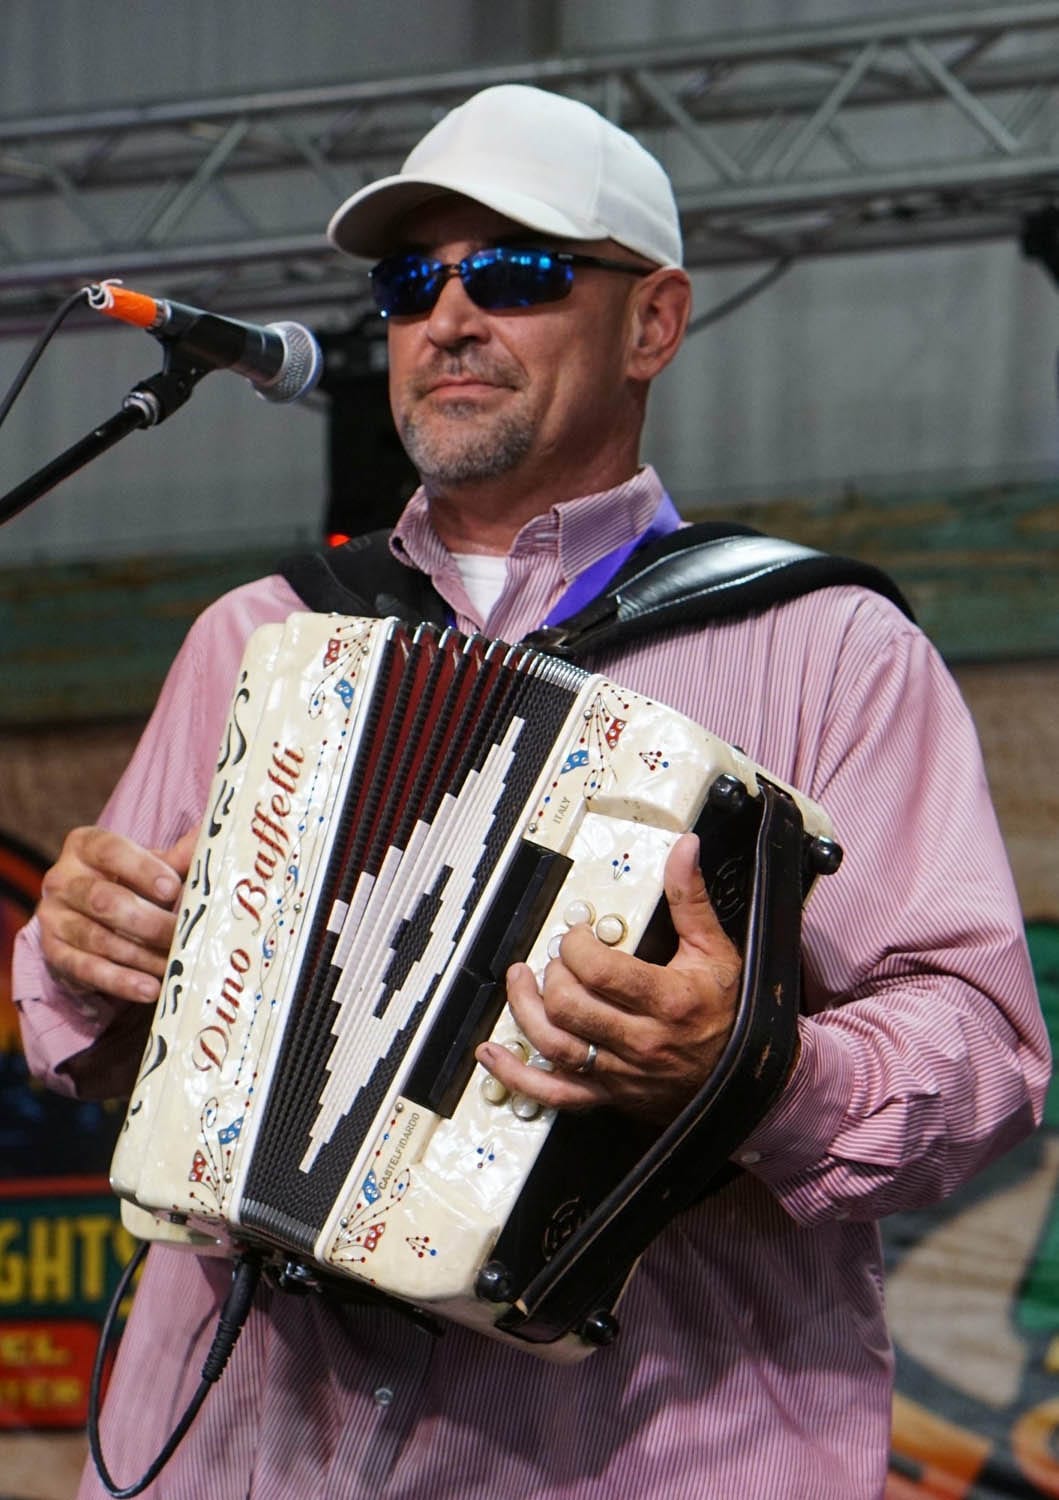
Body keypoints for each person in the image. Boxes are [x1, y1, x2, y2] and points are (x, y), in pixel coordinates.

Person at [14, 83, 1048, 1500]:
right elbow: (86, 1029)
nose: (448, 315)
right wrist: (82, 954)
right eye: (409, 281)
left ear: (655, 322)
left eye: (515, 271)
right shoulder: (261, 636)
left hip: (646, 1458)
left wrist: (752, 1072)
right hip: (241, 1456)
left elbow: (985, 1053)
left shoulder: (829, 648)